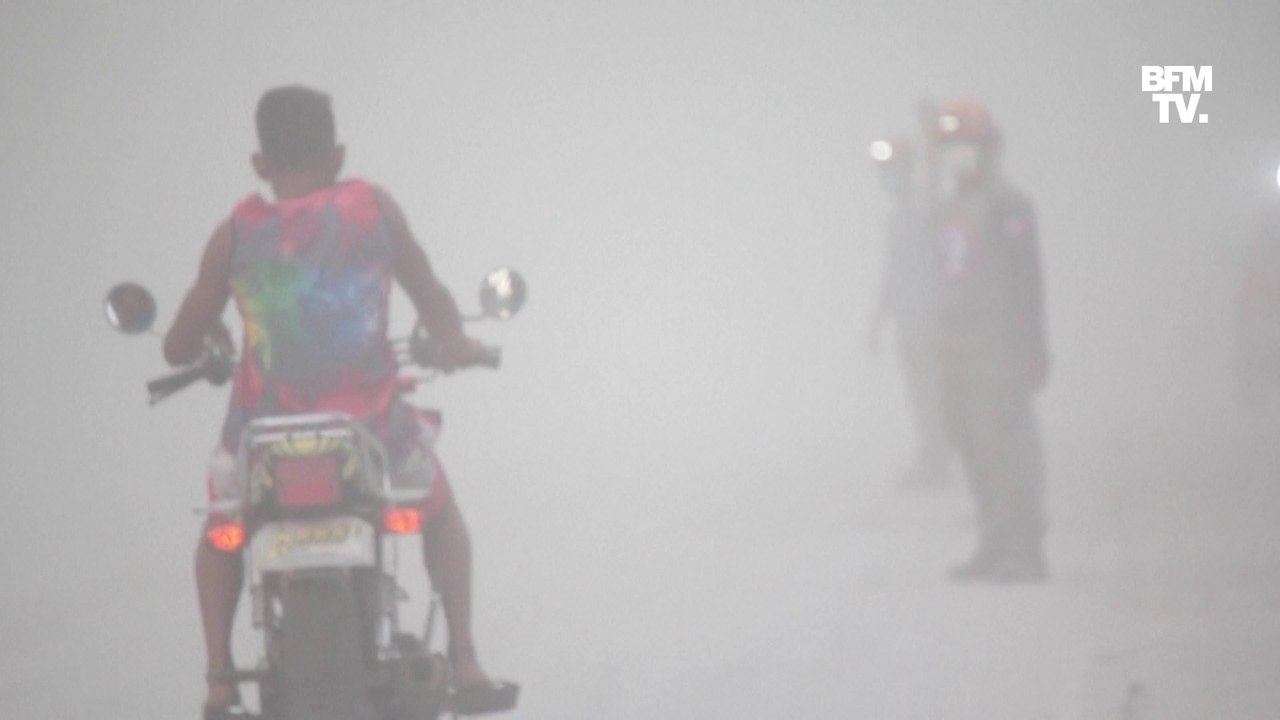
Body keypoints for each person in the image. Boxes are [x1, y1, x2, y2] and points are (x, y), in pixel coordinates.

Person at [163, 85, 517, 718]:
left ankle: (219, 679)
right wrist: (457, 341)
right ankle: (464, 660)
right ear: (338, 156)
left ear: (260, 164)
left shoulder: (232, 236)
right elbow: (429, 291)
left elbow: (177, 346)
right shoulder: (372, 209)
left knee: (221, 531)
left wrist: (211, 335)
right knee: (439, 511)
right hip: (371, 428)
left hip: (261, 438)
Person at [926, 98, 1051, 582]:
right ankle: (993, 541)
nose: (958, 155)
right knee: (970, 442)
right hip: (955, 345)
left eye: (967, 145)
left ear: (989, 149)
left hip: (998, 344)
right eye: (949, 146)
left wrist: (1035, 345)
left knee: (1007, 445)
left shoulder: (1009, 206)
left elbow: (1027, 278)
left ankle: (1025, 546)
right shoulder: (946, 207)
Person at [865, 134, 952, 488]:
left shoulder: (923, 208)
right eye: (882, 176)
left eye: (891, 175)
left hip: (929, 318)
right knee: (923, 390)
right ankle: (934, 456)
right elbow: (893, 274)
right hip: (911, 319)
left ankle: (936, 461)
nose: (886, 184)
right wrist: (876, 321)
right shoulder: (903, 214)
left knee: (931, 390)